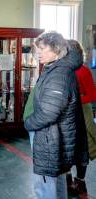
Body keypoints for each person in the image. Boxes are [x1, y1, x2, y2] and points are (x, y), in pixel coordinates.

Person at [23, 32, 89, 199]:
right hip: (53, 136)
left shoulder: (59, 73)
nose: (38, 53)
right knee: (56, 181)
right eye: (37, 49)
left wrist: (28, 124)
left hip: (49, 136)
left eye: (42, 49)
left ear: (56, 50)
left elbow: (48, 113)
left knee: (45, 185)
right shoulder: (57, 68)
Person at [66, 39, 96, 195]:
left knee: (81, 150)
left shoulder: (83, 71)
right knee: (66, 149)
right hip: (66, 116)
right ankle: (68, 180)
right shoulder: (63, 69)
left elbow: (92, 94)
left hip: (82, 114)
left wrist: (74, 99)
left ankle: (80, 182)